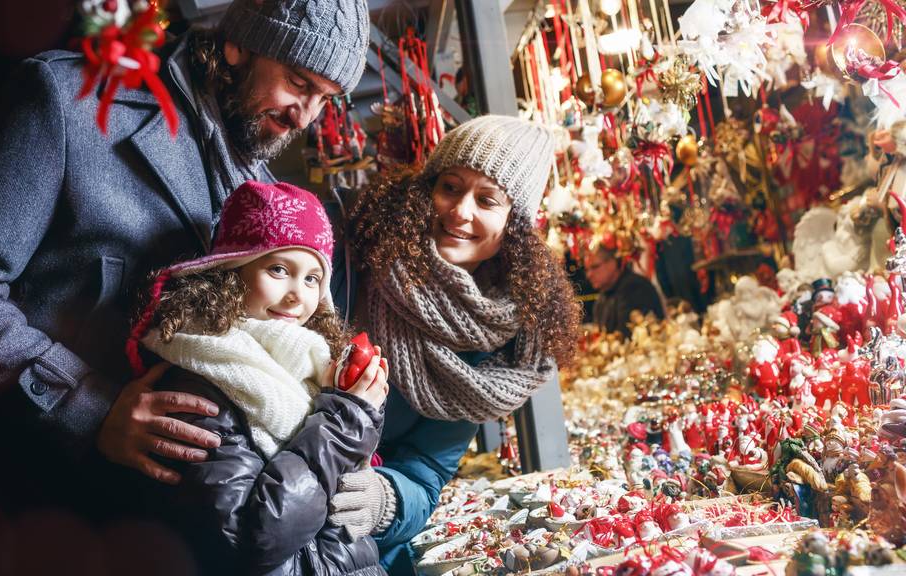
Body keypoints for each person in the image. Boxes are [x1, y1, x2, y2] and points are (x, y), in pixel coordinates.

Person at [0, 0, 370, 572]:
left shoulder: (265, 194)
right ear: (239, 45)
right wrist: (89, 406)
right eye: (297, 82)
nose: (305, 116)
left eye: (325, 98)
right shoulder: (68, 100)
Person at [323, 115, 583, 573]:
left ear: (514, 225)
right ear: (427, 188)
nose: (461, 211)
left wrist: (386, 498)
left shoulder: (492, 347)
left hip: (341, 540)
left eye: (487, 200)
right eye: (450, 187)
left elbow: (425, 470)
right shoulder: (350, 245)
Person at [127, 180, 388, 575]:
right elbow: (251, 536)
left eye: (312, 278)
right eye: (279, 269)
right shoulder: (202, 376)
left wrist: (359, 409)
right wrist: (346, 421)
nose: (297, 294)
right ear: (231, 272)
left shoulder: (311, 366)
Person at [584, 244, 665, 338]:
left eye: (595, 267)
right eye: (586, 270)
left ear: (613, 262)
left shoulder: (635, 287)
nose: (588, 275)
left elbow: (625, 338)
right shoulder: (603, 297)